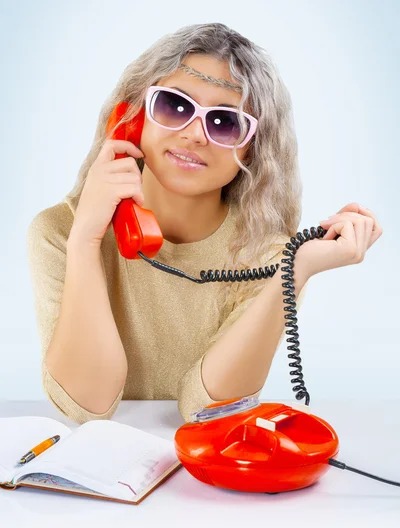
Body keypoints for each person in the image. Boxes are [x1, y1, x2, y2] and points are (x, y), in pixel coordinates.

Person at [26, 22, 382, 425]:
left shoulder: (267, 256)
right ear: (132, 117)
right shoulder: (59, 232)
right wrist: (87, 240)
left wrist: (294, 271)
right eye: (174, 106)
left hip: (202, 476)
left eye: (225, 123)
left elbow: (205, 410)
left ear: (252, 151)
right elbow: (86, 405)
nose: (195, 134)